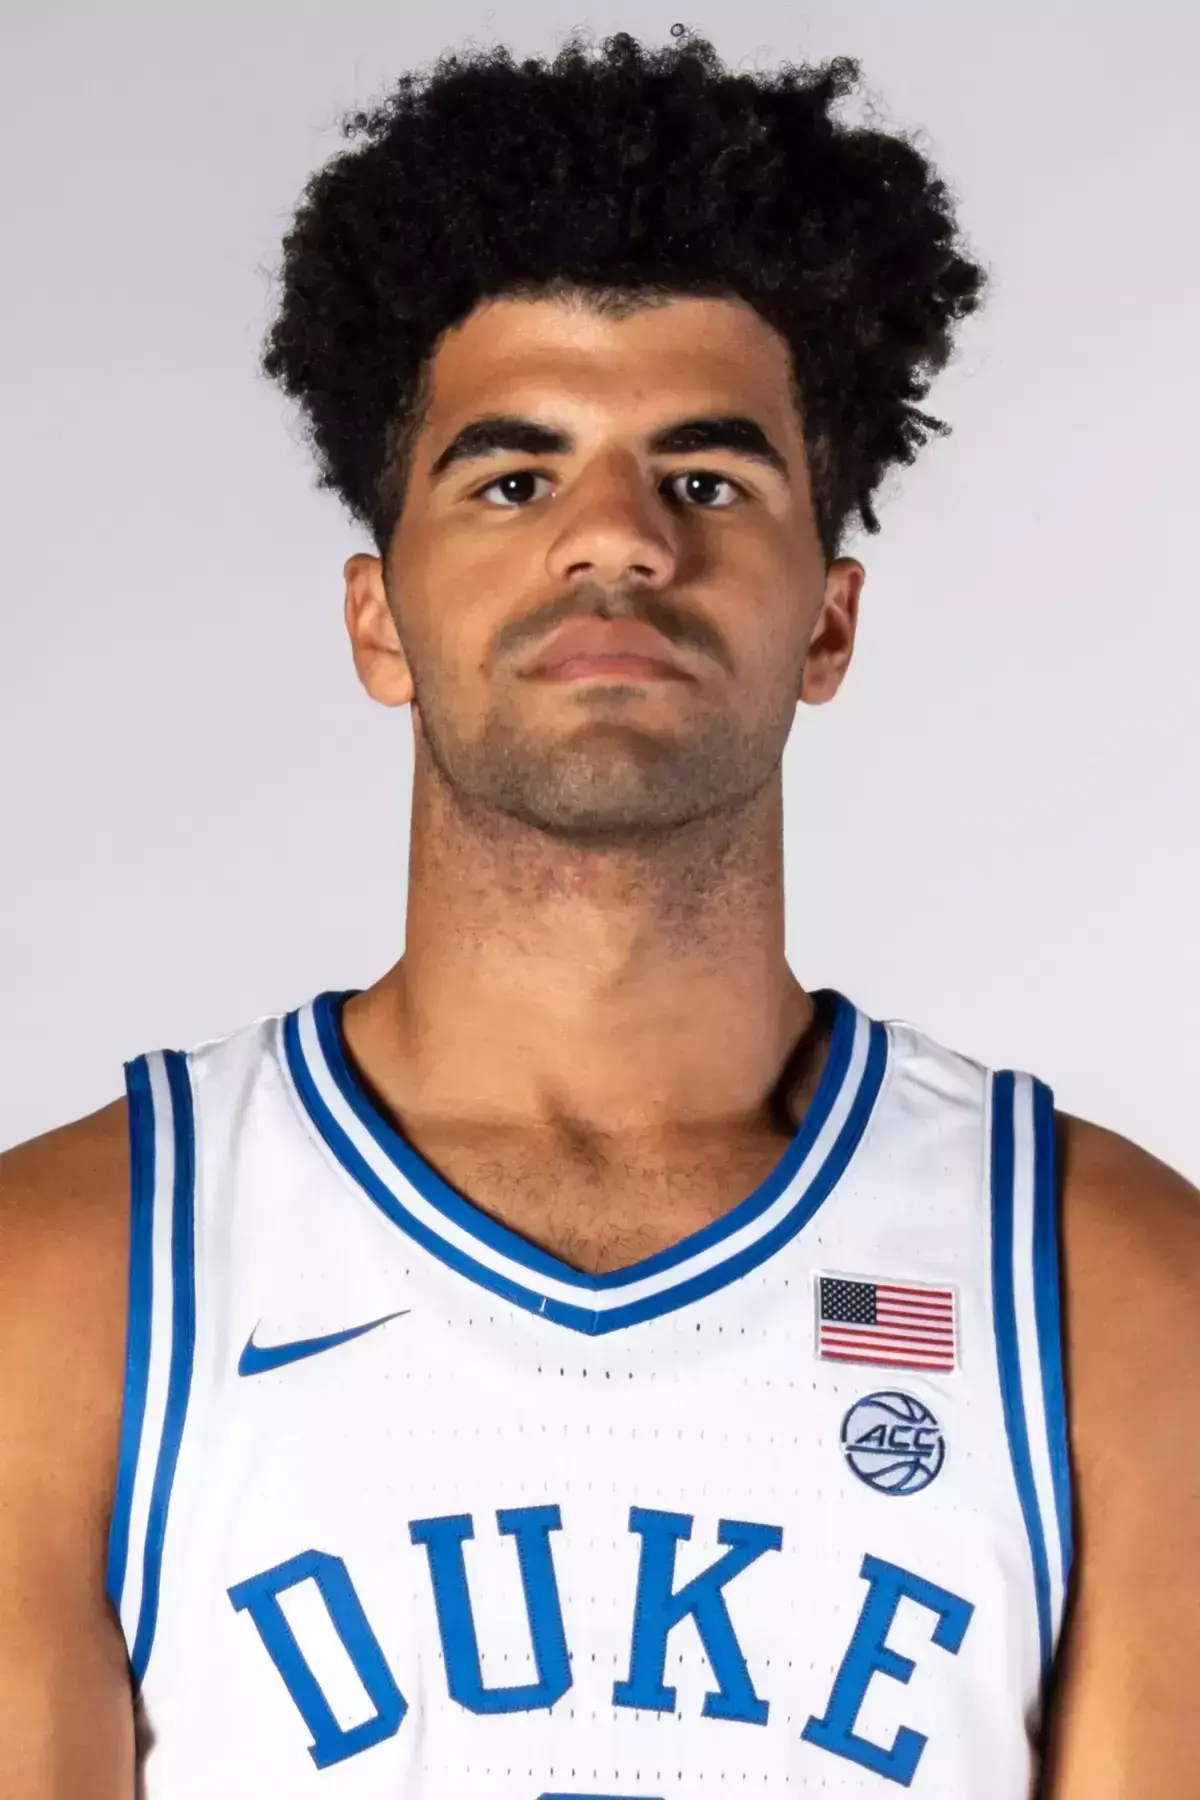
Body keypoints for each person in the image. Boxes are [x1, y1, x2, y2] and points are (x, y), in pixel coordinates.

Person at [1, 24, 1196, 1799]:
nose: (620, 539)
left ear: (830, 622)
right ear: (380, 621)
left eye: (707, 479)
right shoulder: (68, 1282)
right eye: (515, 478)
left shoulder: (1112, 1288)